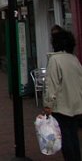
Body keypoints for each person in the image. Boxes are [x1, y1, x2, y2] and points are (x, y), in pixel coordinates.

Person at [43, 30, 82, 161]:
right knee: (73, 136)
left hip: (62, 106)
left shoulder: (55, 60)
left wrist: (48, 105)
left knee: (65, 138)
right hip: (76, 104)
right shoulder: (74, 59)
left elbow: (51, 85)